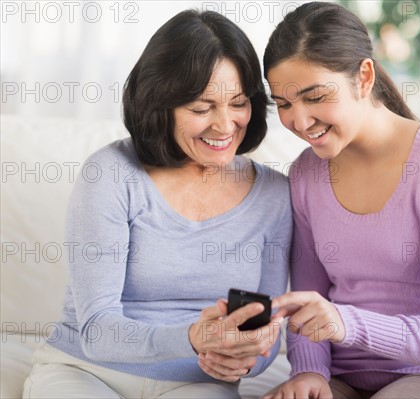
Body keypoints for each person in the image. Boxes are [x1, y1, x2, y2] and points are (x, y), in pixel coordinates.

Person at [23, 9, 291, 399]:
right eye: (201, 108)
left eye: (238, 103)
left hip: (196, 382)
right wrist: (193, 339)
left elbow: (264, 329)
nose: (225, 125)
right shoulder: (112, 174)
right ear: (160, 105)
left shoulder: (274, 196)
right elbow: (97, 329)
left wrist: (246, 358)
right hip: (88, 369)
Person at [262, 2, 420, 399]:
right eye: (284, 104)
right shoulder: (305, 174)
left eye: (315, 96)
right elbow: (308, 304)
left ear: (364, 77)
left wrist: (346, 322)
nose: (299, 122)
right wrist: (310, 373)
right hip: (342, 377)